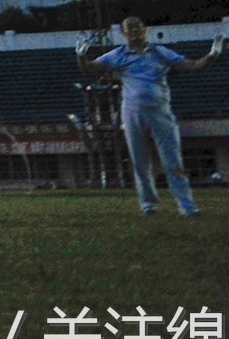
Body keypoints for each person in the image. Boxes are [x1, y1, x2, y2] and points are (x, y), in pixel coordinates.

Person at [78, 17, 219, 218]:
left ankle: (187, 206)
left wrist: (213, 55)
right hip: (132, 110)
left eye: (138, 27)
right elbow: (91, 70)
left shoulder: (160, 52)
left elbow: (192, 66)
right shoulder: (118, 54)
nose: (135, 31)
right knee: (139, 161)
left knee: (172, 160)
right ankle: (148, 205)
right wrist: (81, 56)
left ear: (145, 30)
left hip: (160, 109)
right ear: (123, 33)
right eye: (130, 28)